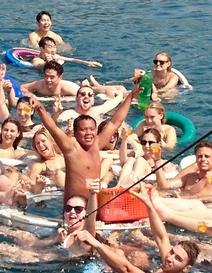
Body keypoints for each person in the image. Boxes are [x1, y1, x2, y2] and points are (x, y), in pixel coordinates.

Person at [30, 72, 140, 206]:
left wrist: (131, 96)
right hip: (74, 209)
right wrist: (40, 108)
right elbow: (52, 128)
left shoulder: (97, 144)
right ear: (75, 133)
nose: (89, 133)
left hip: (94, 204)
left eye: (92, 129)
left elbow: (114, 122)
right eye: (83, 130)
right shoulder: (71, 148)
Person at [67, 189, 198, 273]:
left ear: (187, 268)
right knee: (120, 252)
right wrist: (149, 204)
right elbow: (162, 238)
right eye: (172, 252)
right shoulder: (171, 266)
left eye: (178, 259)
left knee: (118, 256)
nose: (170, 258)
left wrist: (96, 243)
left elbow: (126, 270)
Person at [156, 140, 212, 204]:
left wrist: (176, 197)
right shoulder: (190, 177)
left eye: (207, 156)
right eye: (200, 156)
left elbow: (199, 197)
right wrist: (157, 161)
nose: (203, 159)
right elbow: (164, 186)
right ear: (196, 159)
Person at [57, 82, 123, 126]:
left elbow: (115, 101)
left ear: (93, 101)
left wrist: (120, 92)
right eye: (83, 94)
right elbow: (56, 122)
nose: (86, 97)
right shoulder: (71, 114)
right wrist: (56, 113)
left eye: (90, 95)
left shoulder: (97, 110)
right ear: (76, 99)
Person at [32, 36, 100, 69]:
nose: (53, 50)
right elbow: (39, 65)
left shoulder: (55, 56)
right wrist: (48, 63)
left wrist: (87, 63)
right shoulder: (36, 59)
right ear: (41, 48)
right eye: (50, 47)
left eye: (54, 47)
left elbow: (71, 59)